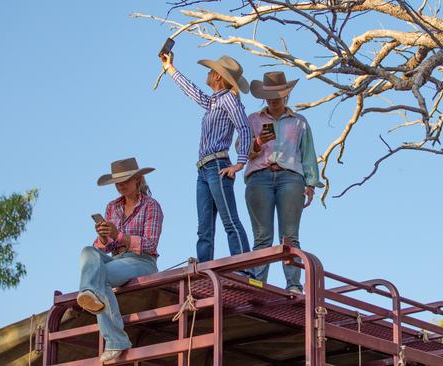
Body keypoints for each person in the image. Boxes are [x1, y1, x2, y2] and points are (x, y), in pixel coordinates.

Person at [160, 52, 253, 265]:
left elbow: (244, 127)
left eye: (211, 71)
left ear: (219, 77)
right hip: (203, 168)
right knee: (204, 227)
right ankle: (203, 269)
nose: (209, 73)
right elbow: (192, 92)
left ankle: (245, 268)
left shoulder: (229, 99)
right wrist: (170, 68)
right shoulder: (213, 101)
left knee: (229, 220)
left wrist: (240, 162)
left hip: (218, 165)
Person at [77, 158, 163, 363]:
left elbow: (150, 245)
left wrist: (119, 236)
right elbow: (104, 248)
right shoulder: (111, 207)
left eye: (125, 180)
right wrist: (104, 237)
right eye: (117, 182)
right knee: (88, 251)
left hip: (142, 261)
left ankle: (115, 338)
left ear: (138, 179)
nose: (121, 185)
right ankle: (89, 292)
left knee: (101, 276)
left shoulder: (152, 206)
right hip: (117, 259)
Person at [244, 71, 324, 294]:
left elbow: (308, 154)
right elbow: (243, 152)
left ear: (285, 95)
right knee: (262, 237)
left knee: (290, 236)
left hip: (291, 177)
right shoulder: (253, 119)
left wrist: (310, 184)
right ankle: (258, 284)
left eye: (277, 95)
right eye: (269, 95)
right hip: (259, 177)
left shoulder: (299, 122)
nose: (273, 99)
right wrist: (259, 142)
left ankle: (294, 285)